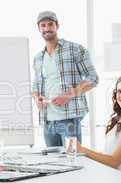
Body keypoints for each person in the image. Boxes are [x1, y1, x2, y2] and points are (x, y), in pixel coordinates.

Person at [32, 10, 99, 147]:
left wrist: (68, 95)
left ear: (57, 26)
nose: (47, 28)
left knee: (73, 161)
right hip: (48, 121)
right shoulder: (38, 58)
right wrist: (36, 99)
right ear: (39, 29)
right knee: (53, 165)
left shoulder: (76, 50)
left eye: (50, 24)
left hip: (69, 119)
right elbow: (35, 86)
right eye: (43, 25)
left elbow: (93, 78)